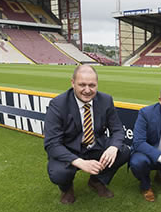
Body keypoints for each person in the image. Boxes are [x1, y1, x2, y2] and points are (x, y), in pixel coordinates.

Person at [44, 64, 130, 204]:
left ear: (97, 84)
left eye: (92, 85)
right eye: (82, 85)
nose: (87, 90)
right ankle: (66, 188)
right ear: (72, 83)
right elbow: (52, 144)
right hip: (69, 149)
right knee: (58, 173)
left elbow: (118, 130)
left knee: (123, 151)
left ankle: (96, 181)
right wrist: (80, 163)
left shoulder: (106, 100)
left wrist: (113, 147)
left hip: (95, 145)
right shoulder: (58, 104)